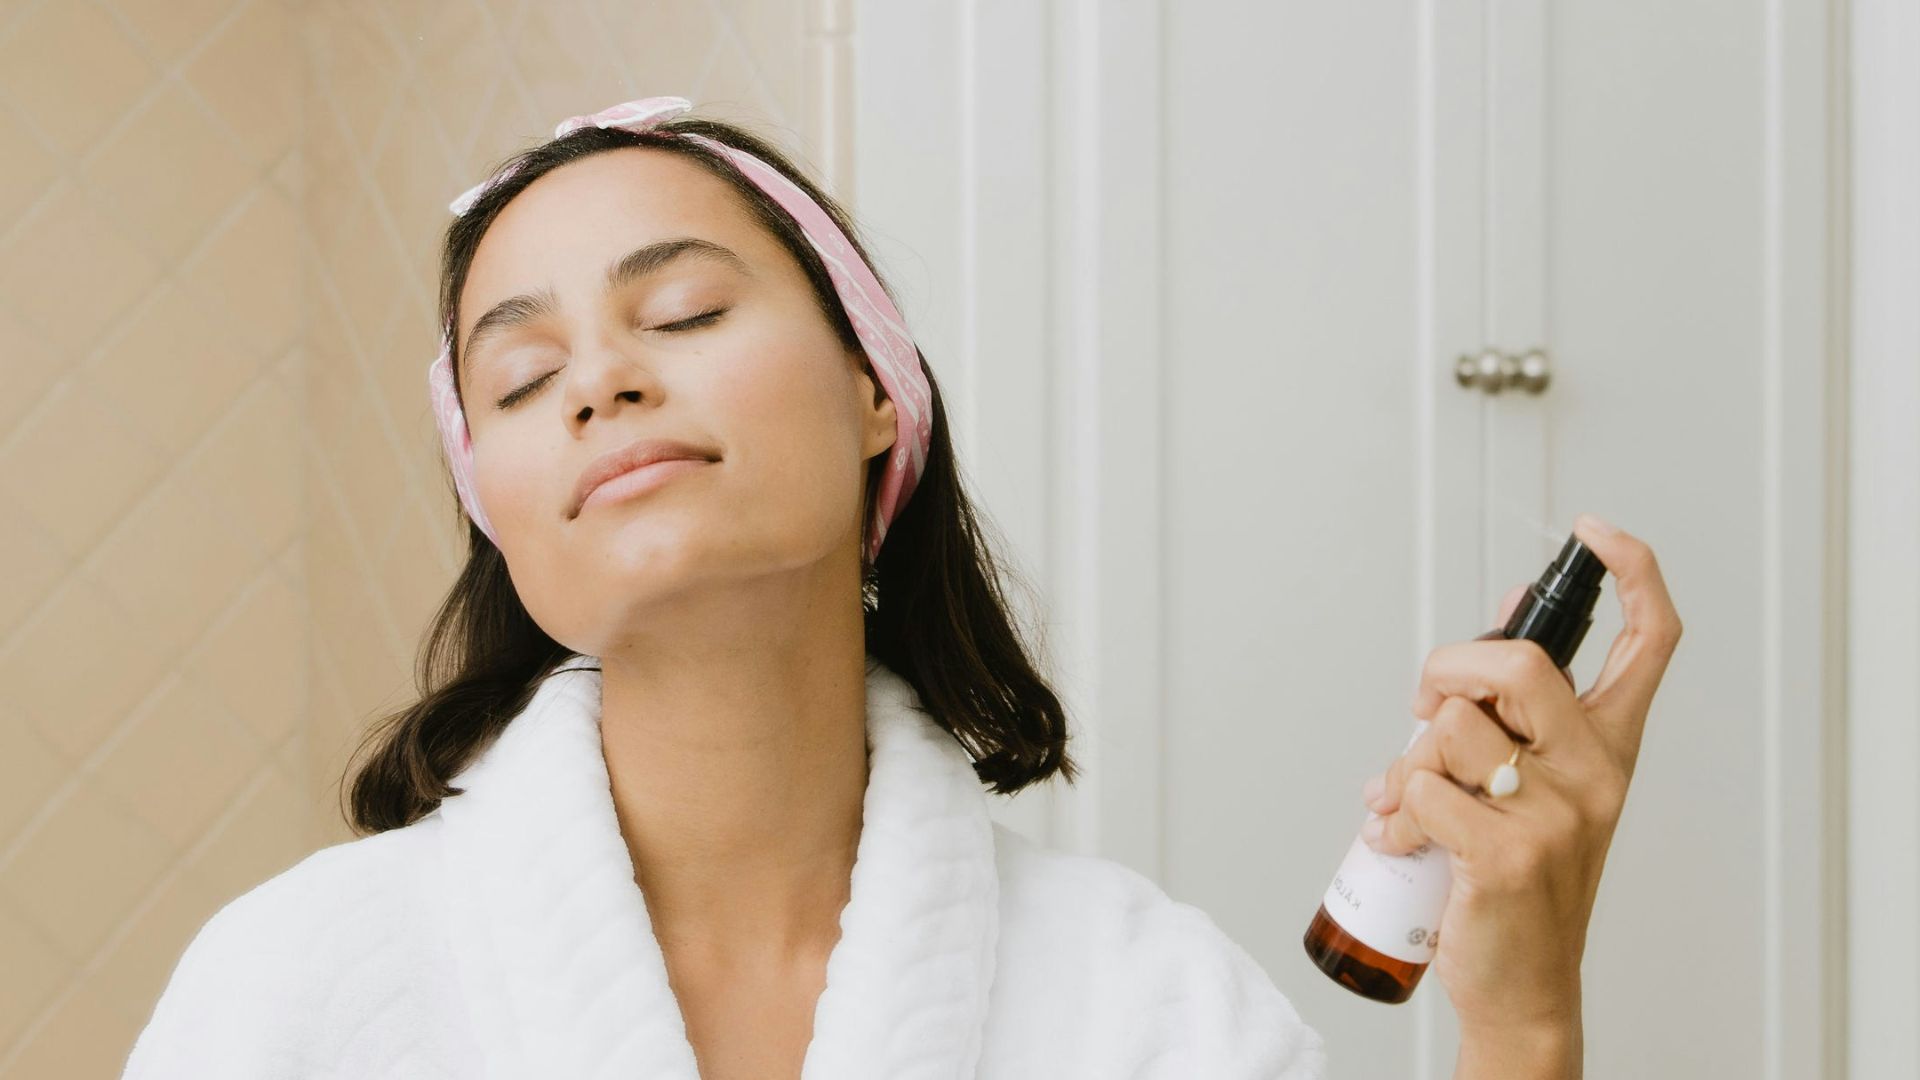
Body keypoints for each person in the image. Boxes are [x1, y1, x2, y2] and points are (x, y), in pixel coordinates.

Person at [123, 96, 1681, 1079]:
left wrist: (1521, 1022)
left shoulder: (1144, 1007)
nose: (598, 380)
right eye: (521, 379)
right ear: (506, 527)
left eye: (678, 309)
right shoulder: (295, 991)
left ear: (879, 392)